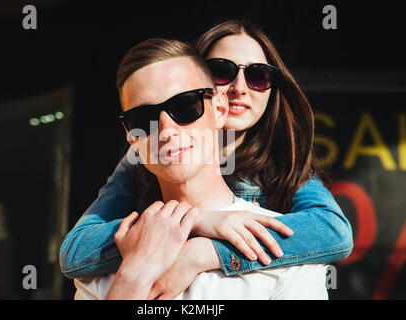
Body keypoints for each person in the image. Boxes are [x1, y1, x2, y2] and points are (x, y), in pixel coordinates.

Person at [60, 20, 353, 299]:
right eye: (222, 71)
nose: (239, 87)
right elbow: (75, 253)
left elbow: (333, 233)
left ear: (218, 106)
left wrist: (204, 252)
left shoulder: (283, 160)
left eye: (258, 75)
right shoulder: (140, 156)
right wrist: (146, 262)